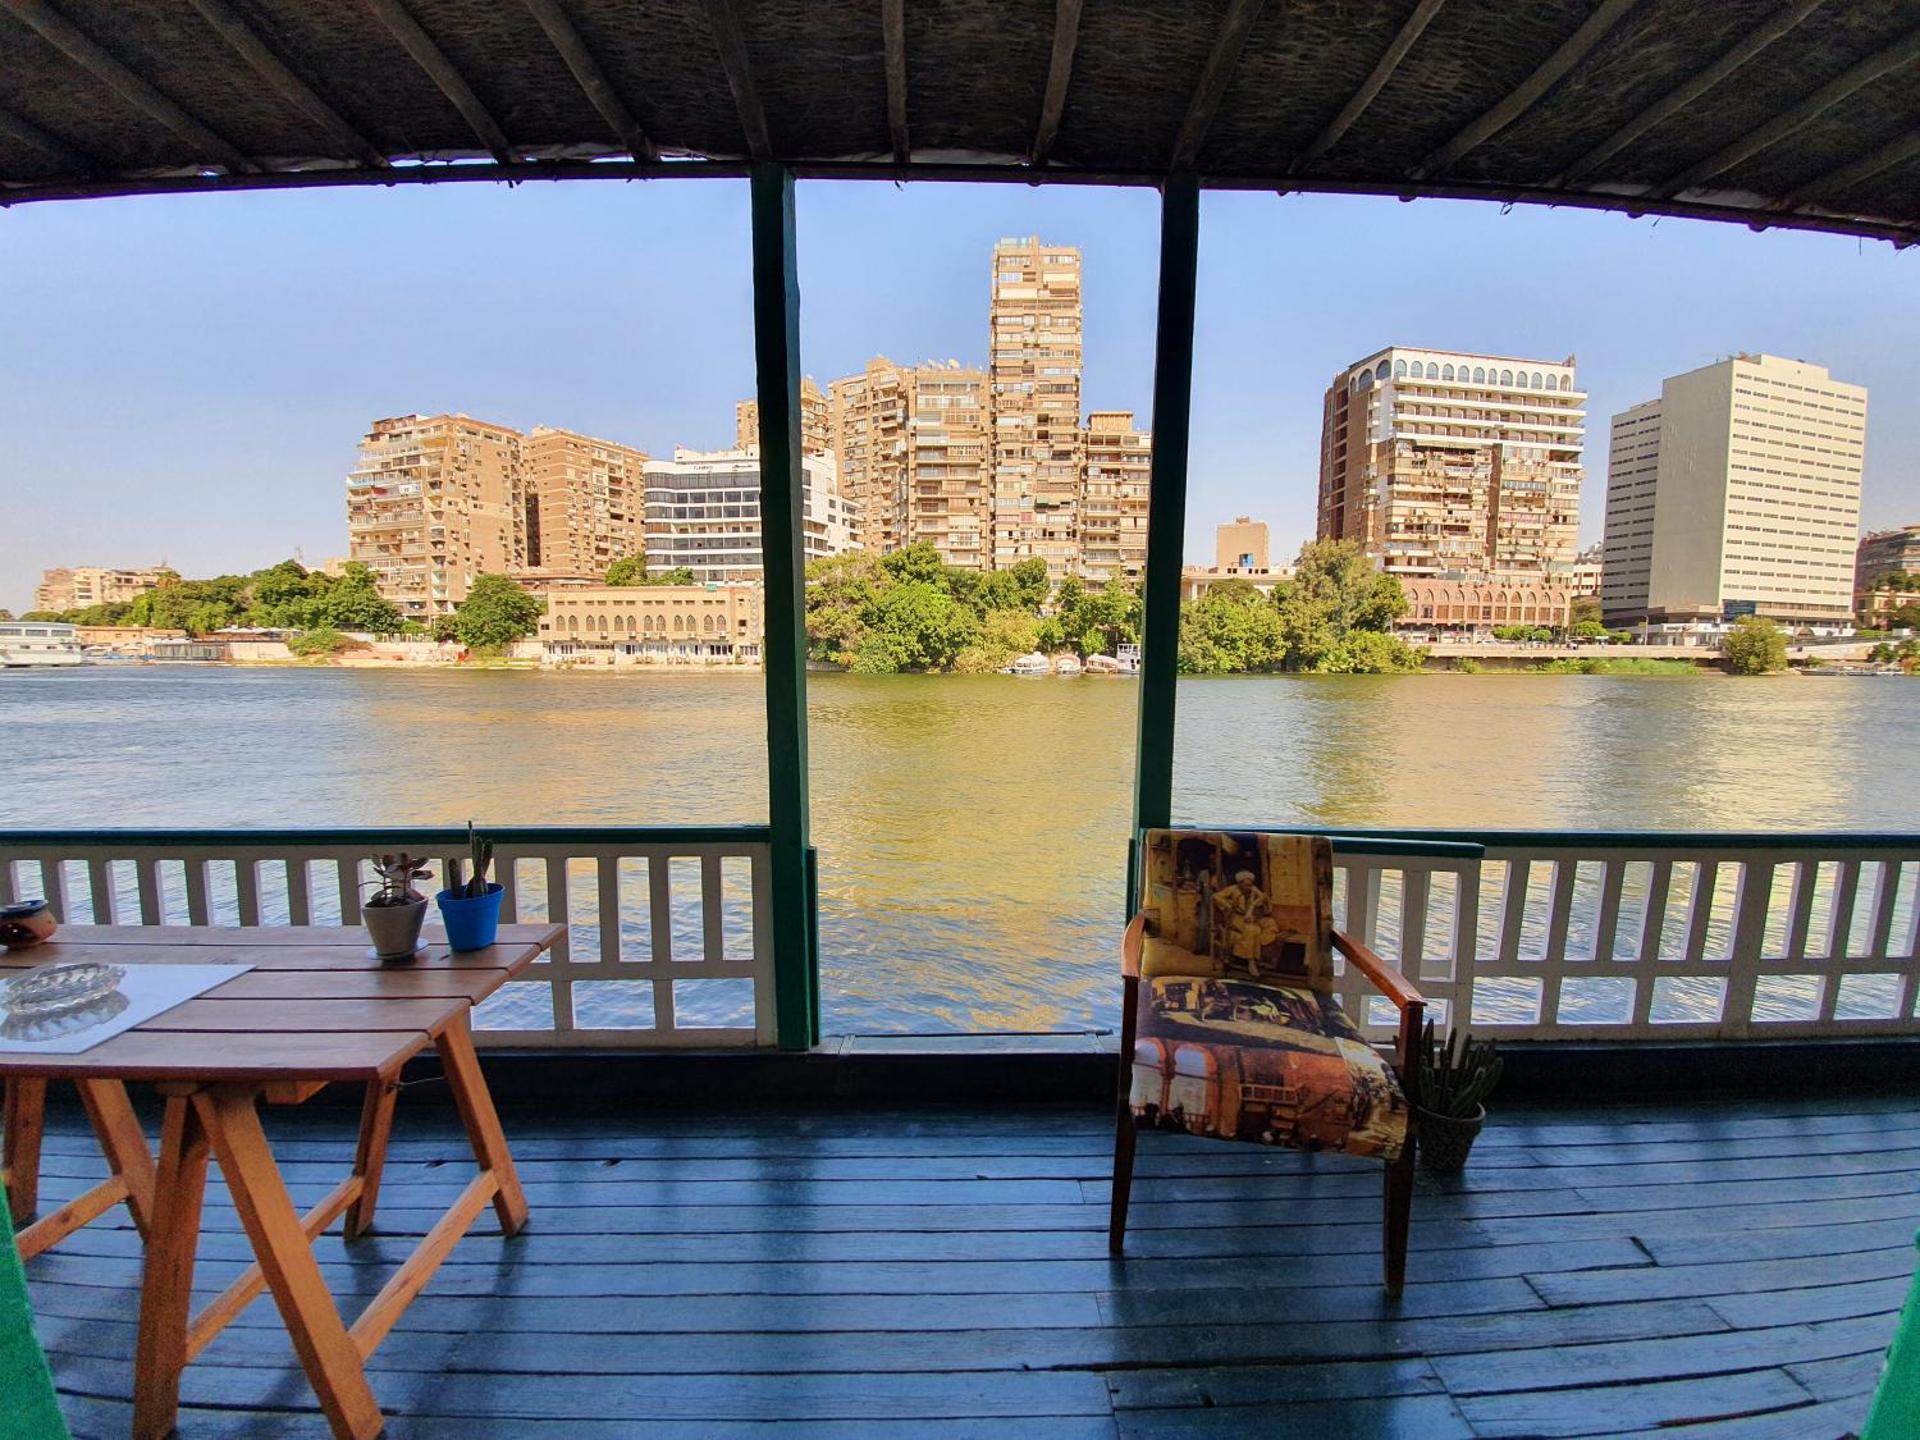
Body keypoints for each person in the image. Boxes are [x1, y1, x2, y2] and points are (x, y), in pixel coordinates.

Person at [1212, 869, 1278, 977]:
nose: (1248, 888)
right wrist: (1227, 904)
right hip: (1236, 917)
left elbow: (1263, 897)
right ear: (1240, 884)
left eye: (1250, 885)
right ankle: (1251, 962)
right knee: (1252, 930)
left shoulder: (1253, 890)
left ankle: (1259, 958)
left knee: (1269, 924)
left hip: (1249, 917)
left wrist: (1254, 906)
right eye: (1246, 885)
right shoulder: (1232, 889)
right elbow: (1215, 896)